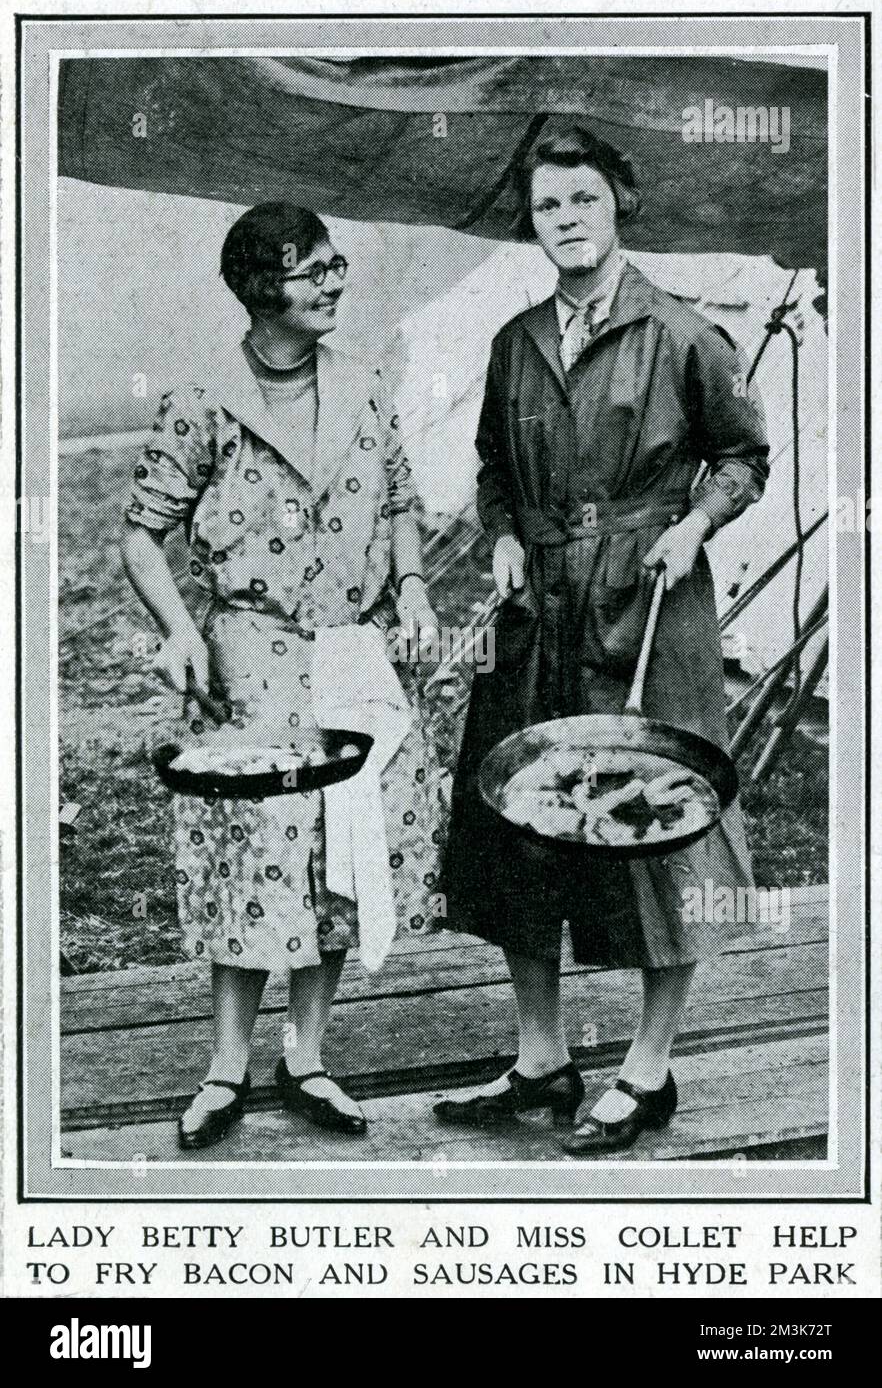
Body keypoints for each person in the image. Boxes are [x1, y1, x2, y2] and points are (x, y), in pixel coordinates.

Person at [436, 127, 770, 1154]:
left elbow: (743, 457)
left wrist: (694, 523)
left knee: (659, 825)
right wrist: (499, 533)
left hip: (649, 605)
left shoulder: (682, 333)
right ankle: (542, 1056)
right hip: (542, 607)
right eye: (548, 207)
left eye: (583, 199)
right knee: (518, 816)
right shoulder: (515, 340)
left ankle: (648, 1069)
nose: (567, 220)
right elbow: (495, 464)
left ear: (618, 205)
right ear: (531, 224)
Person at [121, 203, 441, 1150]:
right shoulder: (203, 398)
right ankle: (225, 1067)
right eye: (313, 271)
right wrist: (178, 630)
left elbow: (399, 500)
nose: (335, 282)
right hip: (251, 665)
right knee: (252, 854)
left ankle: (307, 1055)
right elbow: (142, 531)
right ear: (263, 288)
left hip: (353, 650)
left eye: (337, 265)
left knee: (340, 851)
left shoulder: (366, 384)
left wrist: (414, 587)